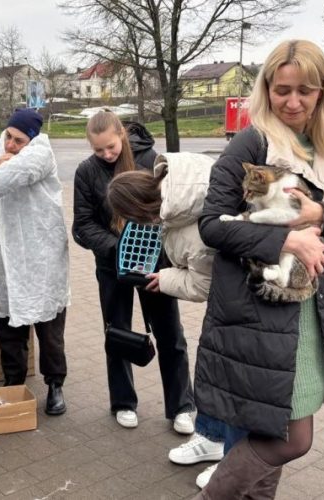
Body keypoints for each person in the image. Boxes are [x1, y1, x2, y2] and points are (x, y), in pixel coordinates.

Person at [192, 39, 324, 499]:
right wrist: (284, 239)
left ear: (322, 93)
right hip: (260, 311)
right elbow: (211, 224)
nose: (292, 102)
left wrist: (321, 215)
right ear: (267, 88)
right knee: (292, 437)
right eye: (282, 89)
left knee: (276, 432)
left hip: (313, 314)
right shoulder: (253, 142)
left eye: (305, 91)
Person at [72, 110, 196, 433]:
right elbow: (82, 224)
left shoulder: (150, 160)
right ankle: (123, 402)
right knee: (117, 332)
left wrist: (149, 245)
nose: (106, 155)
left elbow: (168, 207)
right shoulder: (86, 172)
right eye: (98, 150)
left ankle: (181, 406)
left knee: (170, 334)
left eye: (110, 147)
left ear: (121, 135)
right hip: (112, 266)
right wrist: (118, 246)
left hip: (155, 264)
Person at [106, 153, 226, 484]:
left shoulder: (186, 232)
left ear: (138, 210)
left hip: (241, 302)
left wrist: (166, 279)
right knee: (213, 367)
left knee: (221, 372)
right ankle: (212, 437)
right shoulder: (179, 170)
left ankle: (229, 456)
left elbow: (203, 284)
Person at [0, 108, 70, 415]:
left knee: (49, 327)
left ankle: (55, 384)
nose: (10, 144)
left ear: (32, 139)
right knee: (7, 325)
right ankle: (13, 380)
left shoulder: (41, 153)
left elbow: (19, 172)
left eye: (18, 140)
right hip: (3, 254)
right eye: (8, 136)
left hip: (39, 254)